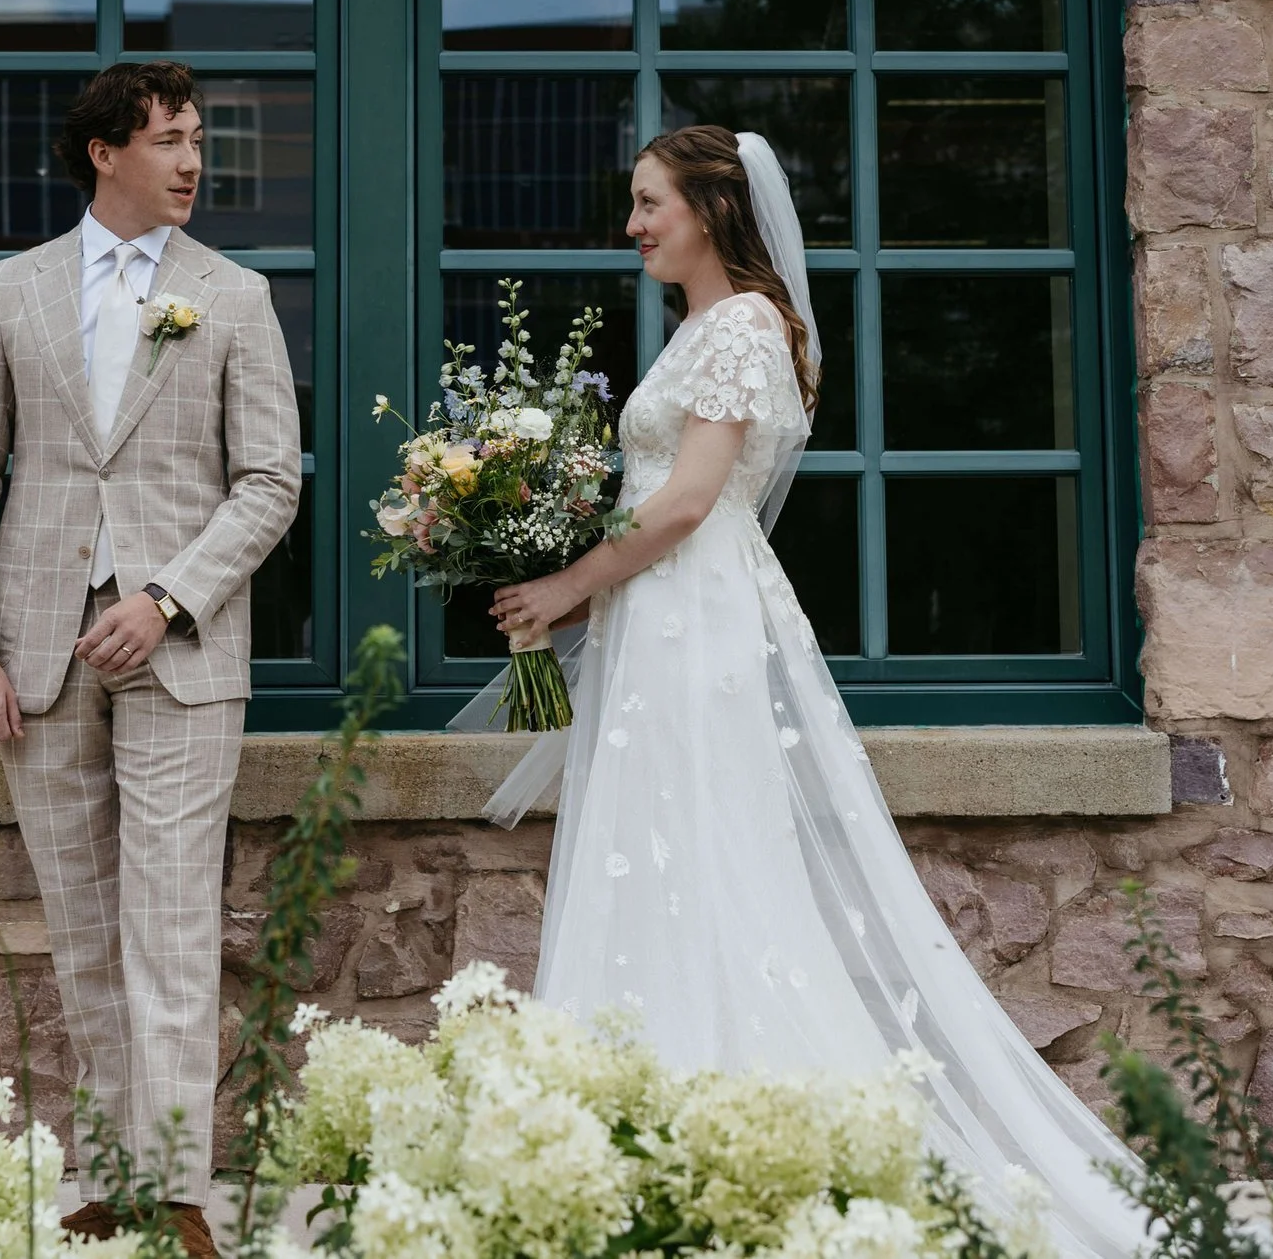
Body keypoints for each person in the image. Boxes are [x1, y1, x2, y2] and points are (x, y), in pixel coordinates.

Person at [485, 126, 1151, 1259]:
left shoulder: (740, 323)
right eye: (634, 204)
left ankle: (738, 1135)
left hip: (693, 620)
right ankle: (667, 1130)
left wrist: (564, 585)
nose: (633, 224)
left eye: (651, 203)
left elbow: (693, 497)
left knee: (700, 852)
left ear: (712, 207)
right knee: (666, 854)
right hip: (664, 618)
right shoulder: (706, 326)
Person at [0, 60, 303, 1259]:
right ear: (105, 151)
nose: (193, 161)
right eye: (171, 140)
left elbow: (270, 482)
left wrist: (168, 594)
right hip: (34, 663)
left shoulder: (233, 296)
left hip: (181, 653)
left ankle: (177, 1184)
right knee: (81, 924)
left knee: (174, 920)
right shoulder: (10, 291)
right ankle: (104, 1176)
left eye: (197, 139)